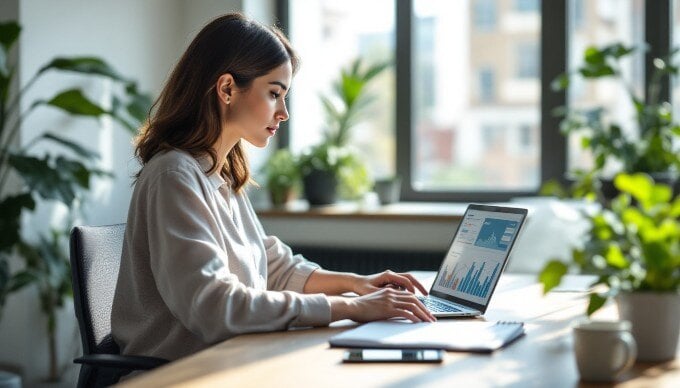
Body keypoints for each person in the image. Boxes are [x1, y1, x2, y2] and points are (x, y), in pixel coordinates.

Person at [111, 13, 434, 362]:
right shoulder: (173, 177)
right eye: (274, 93)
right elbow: (216, 309)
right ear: (227, 89)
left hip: (232, 360)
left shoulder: (222, 176)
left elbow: (274, 268)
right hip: (179, 374)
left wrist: (358, 284)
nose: (284, 113)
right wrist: (351, 307)